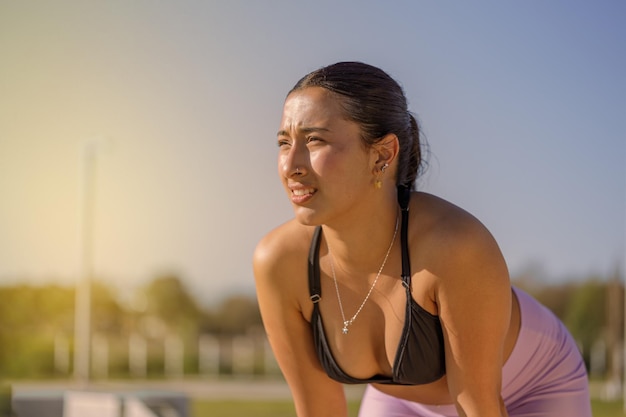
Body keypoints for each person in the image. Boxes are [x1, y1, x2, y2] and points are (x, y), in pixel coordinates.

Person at [253, 61, 591, 417]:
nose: (291, 165)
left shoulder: (455, 247)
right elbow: (319, 410)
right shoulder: (279, 262)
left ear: (382, 154)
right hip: (401, 403)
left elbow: (479, 406)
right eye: (283, 142)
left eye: (315, 140)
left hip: (532, 387)